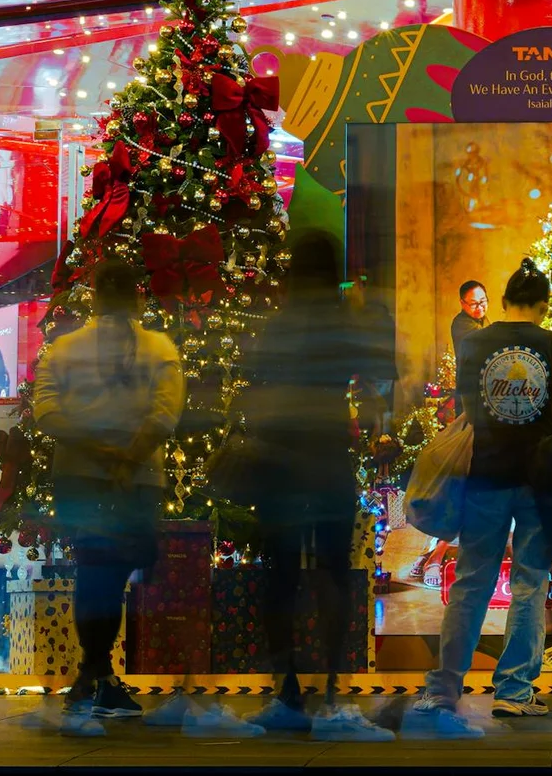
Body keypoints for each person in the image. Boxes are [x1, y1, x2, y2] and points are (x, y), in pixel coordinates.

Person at [215, 232, 398, 740]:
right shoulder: (343, 324)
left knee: (281, 577)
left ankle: (288, 693)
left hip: (280, 463)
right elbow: (379, 370)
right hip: (328, 460)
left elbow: (253, 385)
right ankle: (334, 694)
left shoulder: (278, 325)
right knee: (334, 575)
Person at [410, 259, 552, 737]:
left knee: (471, 582)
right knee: (530, 584)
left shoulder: (475, 343)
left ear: (502, 302)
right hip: (539, 480)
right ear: (543, 305)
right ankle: (514, 692)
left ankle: (444, 688)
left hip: (484, 476)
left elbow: (467, 407)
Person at [32, 260, 184, 738]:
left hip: (79, 477)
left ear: (94, 297)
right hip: (137, 480)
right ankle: (96, 679)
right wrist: (127, 459)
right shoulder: (159, 348)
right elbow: (165, 412)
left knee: (94, 570)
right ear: (137, 297)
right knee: (111, 575)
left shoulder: (64, 349)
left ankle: (93, 676)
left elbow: (46, 411)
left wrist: (96, 452)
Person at [451, 279, 489, 359]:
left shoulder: (482, 318)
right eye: (473, 304)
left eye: (482, 301)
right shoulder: (461, 323)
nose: (479, 308)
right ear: (462, 303)